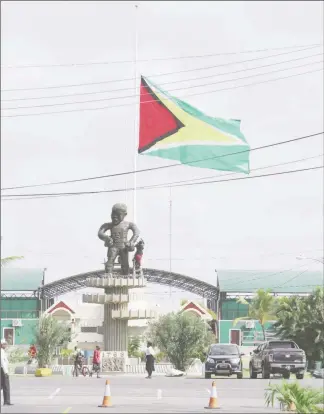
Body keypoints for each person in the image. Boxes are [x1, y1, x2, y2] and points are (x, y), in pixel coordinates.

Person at [1, 339, 13, 406]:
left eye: (5, 344)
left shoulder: (2, 351)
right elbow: (2, 362)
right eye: (4, 344)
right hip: (3, 370)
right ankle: (6, 401)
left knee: (5, 386)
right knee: (6, 386)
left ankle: (7, 401)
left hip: (3, 370)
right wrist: (6, 372)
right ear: (1, 344)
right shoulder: (1, 351)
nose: (5, 345)